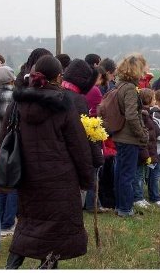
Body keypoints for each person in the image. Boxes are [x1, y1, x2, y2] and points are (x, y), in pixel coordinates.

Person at [0, 55, 93, 268]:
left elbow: (5, 136)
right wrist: (87, 179)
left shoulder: (17, 103)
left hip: (27, 176)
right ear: (59, 77)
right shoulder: (63, 104)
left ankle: (10, 267)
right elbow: (78, 146)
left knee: (27, 225)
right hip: (60, 180)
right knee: (54, 236)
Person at [61, 59, 105, 213]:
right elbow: (83, 132)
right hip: (73, 155)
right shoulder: (78, 100)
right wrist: (97, 157)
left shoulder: (58, 93)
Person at [112, 54, 149, 217]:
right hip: (128, 138)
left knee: (120, 173)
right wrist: (141, 134)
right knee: (128, 174)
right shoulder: (129, 89)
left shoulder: (119, 85)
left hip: (120, 136)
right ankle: (126, 209)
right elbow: (132, 115)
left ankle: (120, 206)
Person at [0, 66, 18, 237]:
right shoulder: (14, 98)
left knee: (0, 182)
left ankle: (1, 219)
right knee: (14, 182)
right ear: (11, 79)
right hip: (13, 143)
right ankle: (9, 222)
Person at [133, 88, 160, 208]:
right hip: (145, 148)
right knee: (139, 175)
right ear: (149, 99)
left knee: (141, 174)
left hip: (149, 147)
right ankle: (138, 197)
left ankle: (140, 196)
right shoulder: (144, 114)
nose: (155, 100)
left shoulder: (147, 113)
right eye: (153, 98)